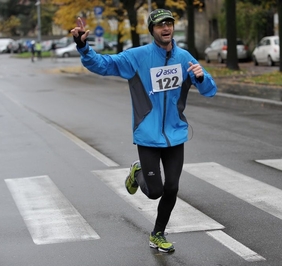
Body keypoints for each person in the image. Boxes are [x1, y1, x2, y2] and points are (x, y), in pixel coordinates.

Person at [71, 9, 217, 253]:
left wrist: (202, 78)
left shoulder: (184, 58)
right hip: (147, 135)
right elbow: (104, 64)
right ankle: (137, 171)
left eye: (169, 23)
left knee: (172, 188)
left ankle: (157, 234)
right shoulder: (137, 57)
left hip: (175, 135)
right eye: (160, 25)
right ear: (152, 30)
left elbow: (209, 90)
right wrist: (84, 49)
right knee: (154, 192)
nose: (166, 28)